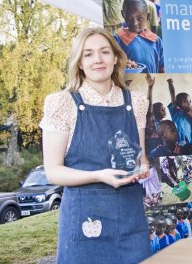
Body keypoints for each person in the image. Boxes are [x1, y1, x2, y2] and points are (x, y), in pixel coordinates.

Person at [40, 27, 151, 264]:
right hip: (84, 224)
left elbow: (140, 160)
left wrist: (142, 169)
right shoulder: (62, 104)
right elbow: (53, 171)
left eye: (104, 52)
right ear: (79, 62)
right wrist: (100, 175)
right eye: (88, 54)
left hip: (131, 222)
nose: (97, 60)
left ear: (116, 58)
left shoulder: (136, 102)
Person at [114, 0, 164, 73]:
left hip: (151, 83)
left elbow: (162, 67)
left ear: (147, 16)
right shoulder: (117, 39)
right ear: (123, 14)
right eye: (130, 18)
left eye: (139, 18)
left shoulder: (156, 40)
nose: (135, 23)